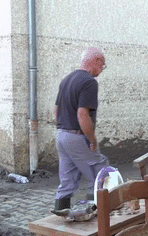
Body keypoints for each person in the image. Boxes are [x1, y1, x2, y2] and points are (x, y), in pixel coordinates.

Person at [52, 47, 108, 212]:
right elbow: (82, 114)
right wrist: (91, 139)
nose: (101, 70)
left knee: (67, 180)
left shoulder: (67, 79)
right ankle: (98, 217)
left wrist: (66, 130)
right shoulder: (89, 81)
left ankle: (60, 216)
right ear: (96, 61)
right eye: (102, 66)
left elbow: (56, 110)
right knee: (99, 174)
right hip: (77, 137)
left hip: (62, 135)